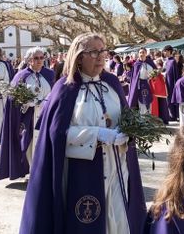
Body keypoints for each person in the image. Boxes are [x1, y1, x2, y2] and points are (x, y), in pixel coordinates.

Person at [19, 33, 146, 234]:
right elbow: (57, 133)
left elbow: (126, 118)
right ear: (79, 56)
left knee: (118, 218)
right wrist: (96, 134)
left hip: (117, 167)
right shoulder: (65, 88)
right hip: (82, 171)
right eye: (94, 51)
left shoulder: (112, 83)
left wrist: (129, 132)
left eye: (103, 50)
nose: (101, 56)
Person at [0, 47, 55, 180]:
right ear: (29, 60)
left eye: (42, 58)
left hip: (45, 114)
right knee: (30, 142)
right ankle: (32, 170)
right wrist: (28, 102)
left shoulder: (49, 74)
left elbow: (54, 93)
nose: (40, 61)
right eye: (36, 58)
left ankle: (44, 169)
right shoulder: (21, 76)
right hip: (28, 116)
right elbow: (13, 97)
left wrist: (46, 102)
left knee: (45, 141)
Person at [128, 48, 156, 114]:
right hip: (140, 85)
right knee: (142, 102)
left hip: (150, 85)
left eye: (143, 52)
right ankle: (143, 119)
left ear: (146, 53)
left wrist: (153, 75)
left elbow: (156, 72)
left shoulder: (150, 62)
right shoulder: (136, 64)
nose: (141, 54)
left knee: (150, 102)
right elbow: (134, 78)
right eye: (140, 52)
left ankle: (150, 118)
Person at [163, 45, 179, 122]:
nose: (164, 52)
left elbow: (176, 75)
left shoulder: (173, 61)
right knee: (168, 100)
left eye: (165, 51)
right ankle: (171, 114)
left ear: (169, 51)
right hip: (167, 83)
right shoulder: (167, 61)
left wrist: (176, 86)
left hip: (172, 84)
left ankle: (174, 116)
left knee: (172, 100)